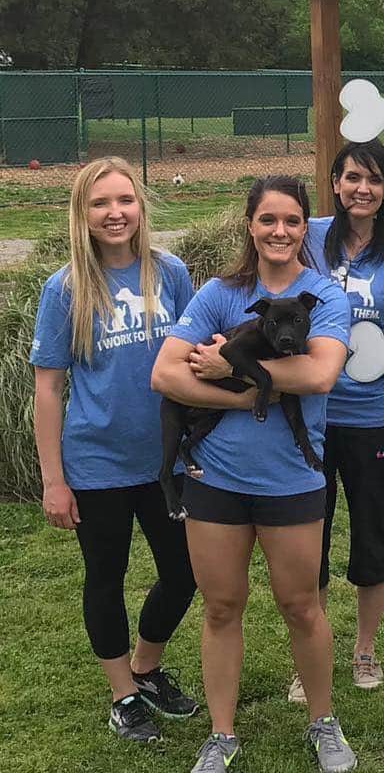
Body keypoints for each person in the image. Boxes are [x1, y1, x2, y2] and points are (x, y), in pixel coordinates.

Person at [151, 175, 357, 773]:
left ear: (305, 227)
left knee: (302, 607)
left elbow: (320, 376)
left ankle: (323, 721)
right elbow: (165, 375)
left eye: (292, 220)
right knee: (220, 608)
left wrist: (226, 369)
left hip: (292, 477)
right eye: (268, 219)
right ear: (250, 225)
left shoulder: (324, 296)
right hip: (216, 479)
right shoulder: (219, 293)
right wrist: (247, 393)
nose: (280, 231)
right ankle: (220, 735)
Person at [30, 157, 199, 743]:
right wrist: (55, 479)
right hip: (97, 464)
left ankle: (145, 667)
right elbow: (49, 388)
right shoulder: (66, 289)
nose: (115, 213)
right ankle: (121, 695)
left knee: (184, 573)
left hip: (168, 462)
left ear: (140, 206)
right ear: (82, 214)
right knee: (106, 576)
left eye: (124, 200)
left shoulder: (170, 273)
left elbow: (194, 356)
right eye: (100, 203)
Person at [287, 140, 384, 703]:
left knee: (371, 538)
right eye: (354, 177)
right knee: (308, 541)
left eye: (375, 180)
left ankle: (364, 648)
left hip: (373, 417)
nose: (364, 188)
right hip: (307, 417)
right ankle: (309, 654)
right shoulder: (307, 236)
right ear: (335, 182)